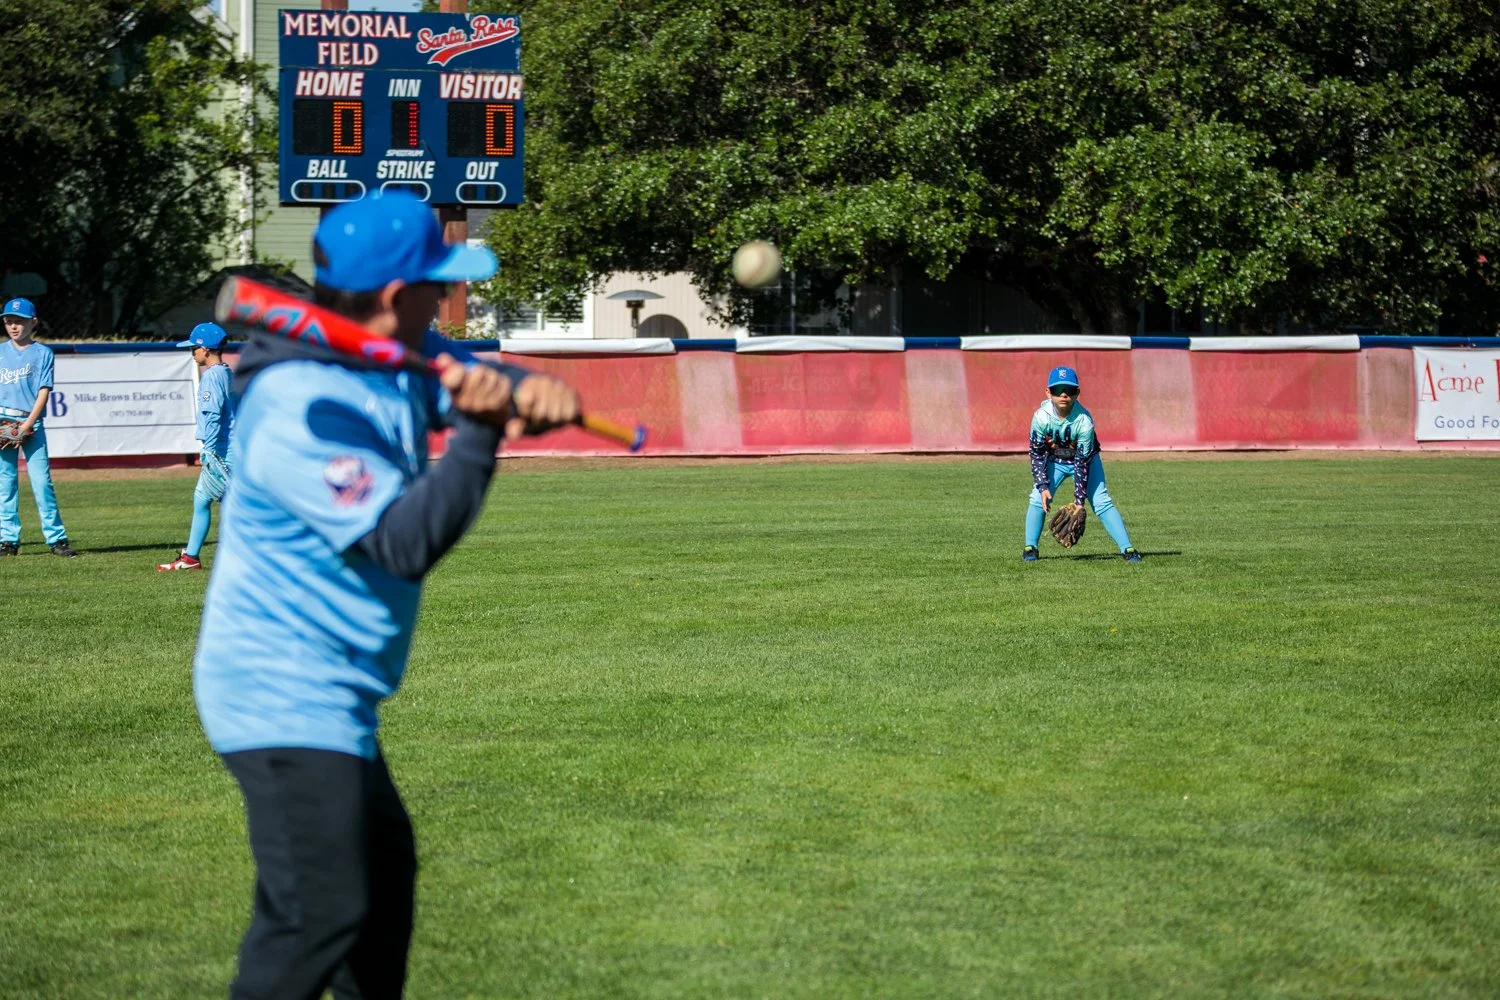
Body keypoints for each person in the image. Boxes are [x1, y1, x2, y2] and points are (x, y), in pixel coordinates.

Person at [192, 191, 581, 1000]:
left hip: (335, 697)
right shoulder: (301, 404)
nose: (444, 301)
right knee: (318, 914)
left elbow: (472, 377)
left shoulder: (390, 357)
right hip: (278, 692)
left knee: (380, 903)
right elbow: (402, 546)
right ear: (398, 298)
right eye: (437, 288)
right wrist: (480, 434)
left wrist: (529, 391)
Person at [1022, 365, 1141, 563]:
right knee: (1038, 498)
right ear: (1047, 392)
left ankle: (1127, 549)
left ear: (1077, 393)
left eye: (1068, 390)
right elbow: (1037, 453)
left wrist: (1079, 500)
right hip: (1054, 461)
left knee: (1101, 501)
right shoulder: (1040, 417)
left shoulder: (1084, 420)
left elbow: (1081, 462)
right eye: (1057, 389)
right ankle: (1030, 547)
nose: (1063, 394)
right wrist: (1043, 485)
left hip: (1086, 460)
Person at [0, 297, 77, 557]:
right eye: (9, 321)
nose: (13, 326)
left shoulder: (43, 353)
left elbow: (44, 390)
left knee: (42, 482)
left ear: (33, 323)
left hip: (32, 423)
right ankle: (8, 540)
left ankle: (56, 539)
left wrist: (28, 424)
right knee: (5, 483)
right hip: (2, 422)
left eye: (19, 321)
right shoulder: (0, 352)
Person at [158, 322, 234, 571]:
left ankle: (245, 556)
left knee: (229, 503)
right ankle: (191, 556)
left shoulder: (213, 376)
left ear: (205, 350)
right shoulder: (227, 372)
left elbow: (212, 415)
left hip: (223, 450)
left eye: (194, 348)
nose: (192, 353)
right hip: (231, 448)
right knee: (203, 498)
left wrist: (209, 449)